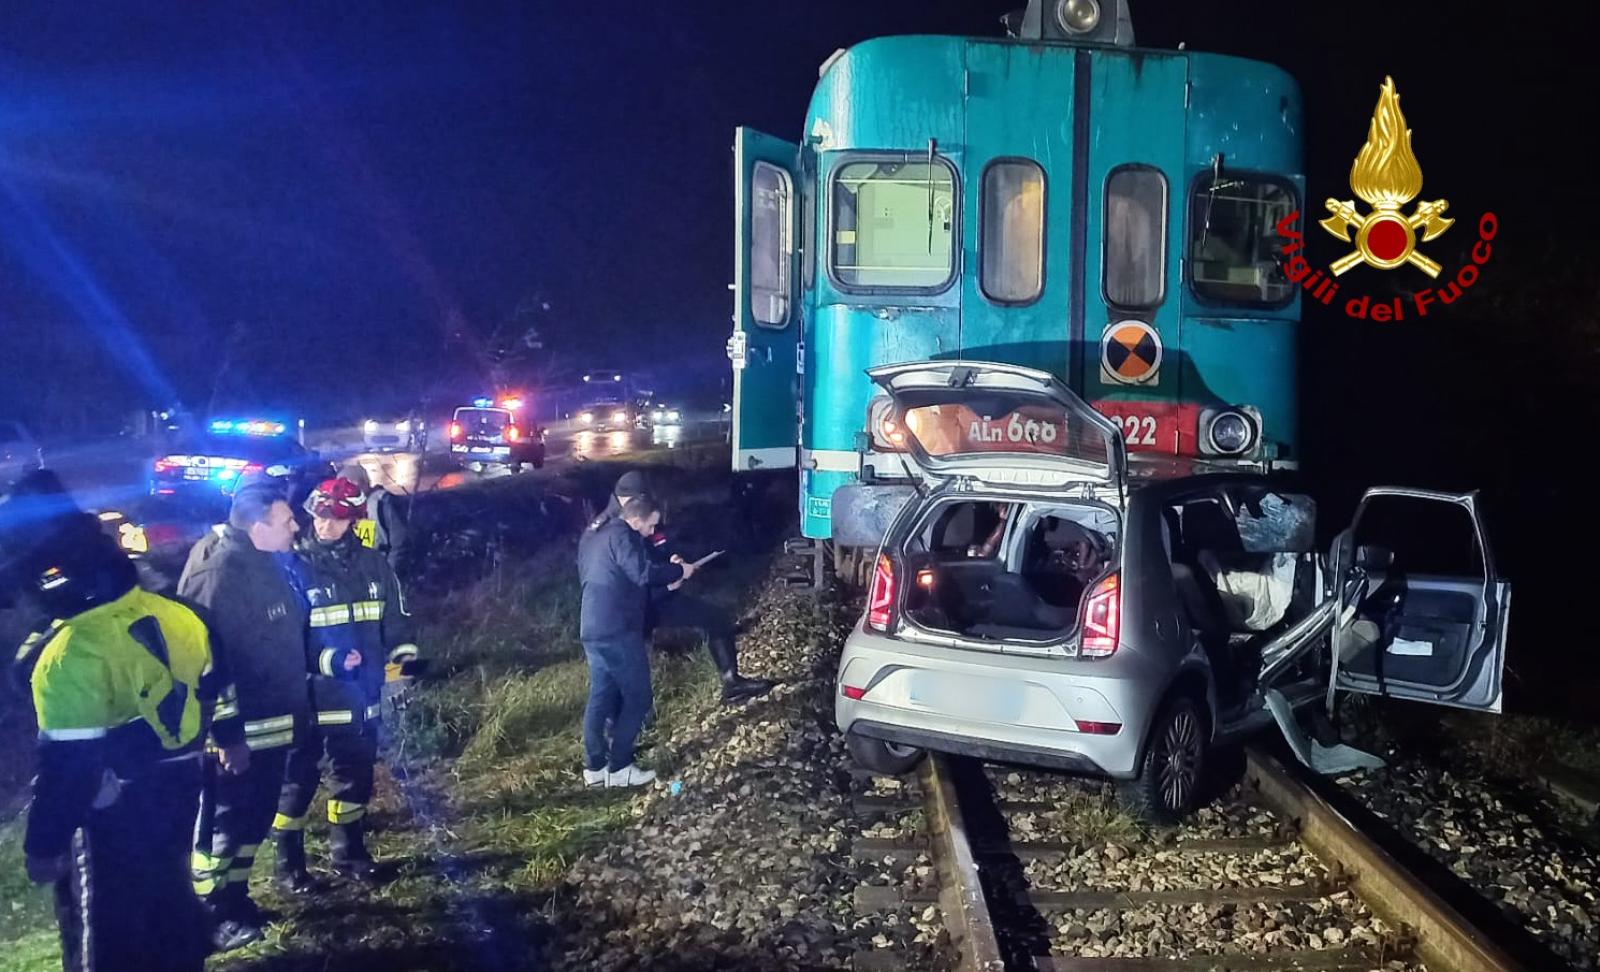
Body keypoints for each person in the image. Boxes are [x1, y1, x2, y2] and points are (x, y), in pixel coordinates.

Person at [0, 470, 246, 972]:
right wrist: (229, 737)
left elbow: (70, 764)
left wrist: (44, 844)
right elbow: (215, 684)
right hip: (179, 787)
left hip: (108, 810)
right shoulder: (180, 614)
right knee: (171, 899)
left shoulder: (69, 655)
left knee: (102, 929)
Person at [176, 478, 319, 949]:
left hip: (271, 728)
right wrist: (227, 736)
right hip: (236, 737)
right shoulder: (219, 574)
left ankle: (236, 899)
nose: (296, 526)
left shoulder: (259, 561)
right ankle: (209, 918)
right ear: (257, 526)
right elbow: (207, 666)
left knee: (252, 820)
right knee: (222, 827)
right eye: (285, 520)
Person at [273, 477, 419, 885]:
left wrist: (403, 673)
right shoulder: (292, 568)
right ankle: (288, 867)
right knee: (296, 784)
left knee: (354, 778)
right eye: (319, 517)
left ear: (353, 520)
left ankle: (350, 854)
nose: (324, 526)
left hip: (360, 699)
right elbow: (282, 640)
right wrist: (329, 660)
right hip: (309, 700)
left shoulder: (375, 565)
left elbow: (397, 625)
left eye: (335, 519)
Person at [591, 471, 773, 703]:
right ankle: (615, 729)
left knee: (716, 617)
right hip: (631, 606)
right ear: (626, 500)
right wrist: (669, 579)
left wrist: (671, 561)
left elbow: (659, 543)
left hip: (660, 595)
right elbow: (629, 575)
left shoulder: (644, 514)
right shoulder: (609, 529)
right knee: (624, 667)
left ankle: (732, 683)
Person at [577, 494, 693, 787]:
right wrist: (680, 570)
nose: (653, 532)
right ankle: (620, 767)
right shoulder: (623, 535)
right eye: (651, 526)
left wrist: (667, 581)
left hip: (592, 626)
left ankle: (595, 768)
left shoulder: (599, 535)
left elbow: (626, 579)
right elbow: (641, 573)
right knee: (639, 698)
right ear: (637, 519)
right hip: (617, 629)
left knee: (600, 697)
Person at [337, 463, 408, 568]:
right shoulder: (348, 510)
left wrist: (388, 573)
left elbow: (399, 541)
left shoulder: (382, 503)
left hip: (383, 567)